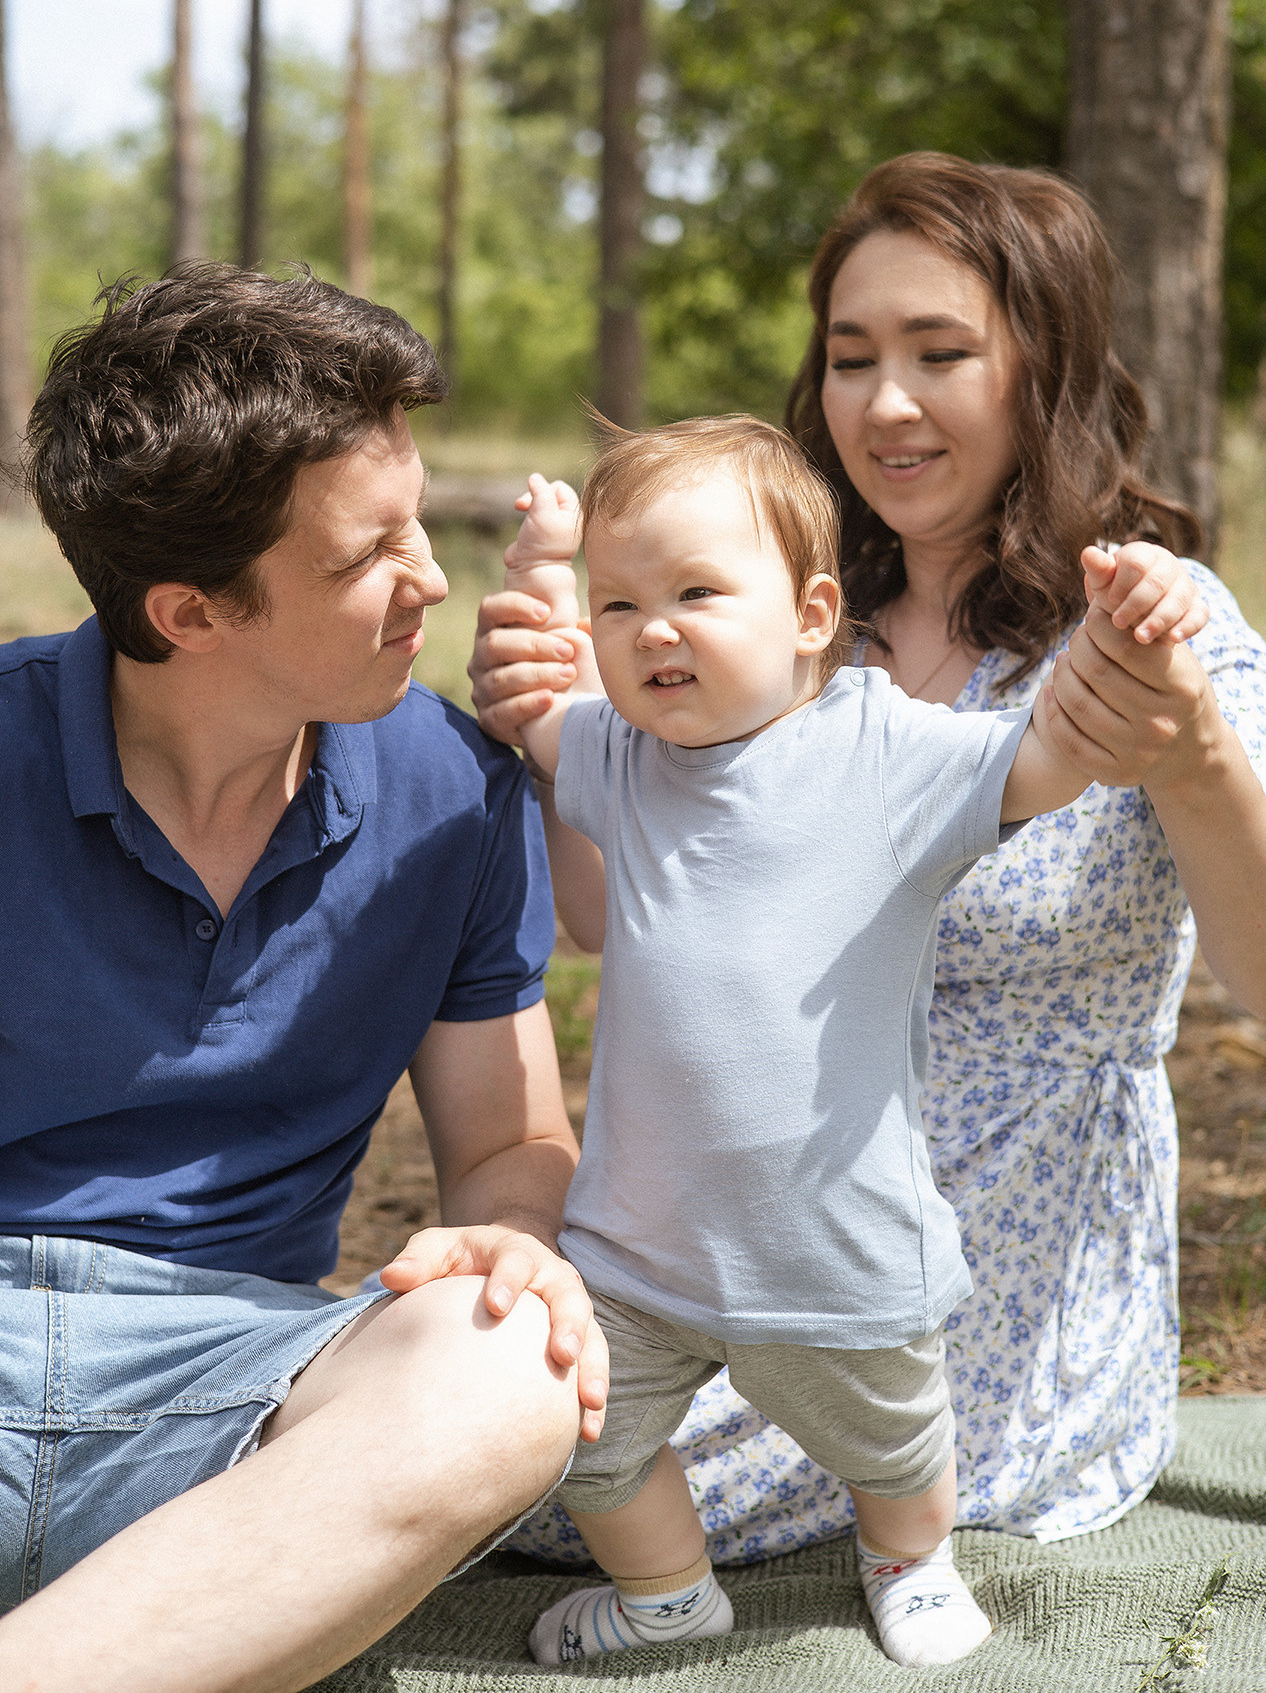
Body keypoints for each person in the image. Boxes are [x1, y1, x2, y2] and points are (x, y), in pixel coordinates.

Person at [468, 153, 1266, 1566]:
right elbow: (601, 915)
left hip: (990, 1243)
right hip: (716, 1215)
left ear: (1045, 366)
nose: (882, 403)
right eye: (850, 357)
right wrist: (549, 720)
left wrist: (1190, 757)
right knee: (483, 1424)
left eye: (939, 352)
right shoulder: (764, 613)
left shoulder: (1150, 626)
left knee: (508, 1485)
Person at [492, 417, 1204, 1670]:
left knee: (897, 1446)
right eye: (625, 604)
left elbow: (1047, 754)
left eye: (697, 593)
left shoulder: (884, 753)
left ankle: (908, 1558)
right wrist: (550, 575)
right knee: (587, 1440)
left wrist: (1117, 648)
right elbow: (551, 708)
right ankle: (669, 1594)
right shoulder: (620, 753)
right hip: (637, 1244)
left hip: (834, 1246)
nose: (654, 628)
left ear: (814, 610)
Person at [0, 265, 608, 1693]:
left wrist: (512, 1234)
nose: (435, 581)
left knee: (505, 1366)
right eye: (366, 556)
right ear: (191, 612)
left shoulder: (457, 790)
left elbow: (510, 1137)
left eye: (418, 525)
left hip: (234, 1397)